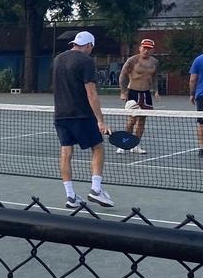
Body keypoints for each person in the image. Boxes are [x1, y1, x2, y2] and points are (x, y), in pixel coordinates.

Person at [52, 30, 113, 208]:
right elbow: (91, 93)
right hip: (81, 114)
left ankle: (70, 196)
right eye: (91, 48)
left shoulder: (58, 59)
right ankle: (96, 190)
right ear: (89, 45)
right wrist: (100, 120)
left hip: (60, 115)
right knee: (98, 148)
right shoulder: (86, 61)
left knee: (66, 152)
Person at [117, 38, 160, 154]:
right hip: (133, 92)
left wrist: (155, 91)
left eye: (149, 49)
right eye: (144, 48)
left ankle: (134, 145)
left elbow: (155, 77)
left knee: (142, 121)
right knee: (131, 120)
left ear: (152, 50)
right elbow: (122, 75)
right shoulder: (133, 60)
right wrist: (123, 91)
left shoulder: (154, 62)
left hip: (146, 94)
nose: (146, 51)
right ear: (140, 48)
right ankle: (124, 143)